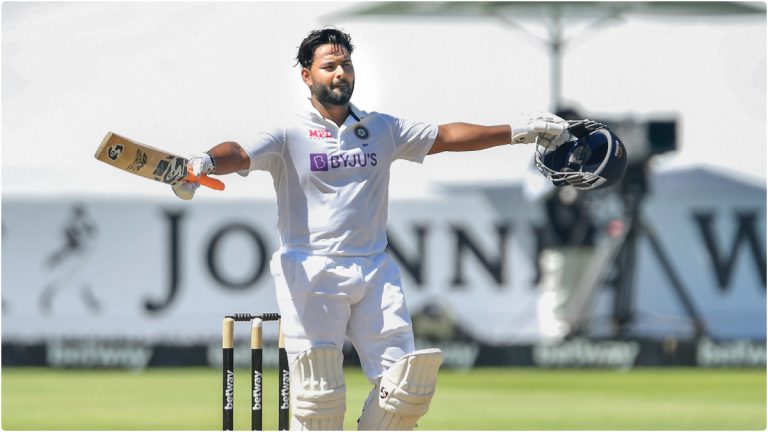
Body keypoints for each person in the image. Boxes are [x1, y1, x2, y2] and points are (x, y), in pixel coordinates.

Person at [173, 28, 569, 431]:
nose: (340, 72)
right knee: (319, 399)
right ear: (307, 77)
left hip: (374, 268)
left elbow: (447, 137)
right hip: (311, 270)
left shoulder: (381, 129)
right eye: (329, 66)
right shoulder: (288, 133)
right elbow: (238, 154)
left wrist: (519, 131)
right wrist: (205, 160)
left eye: (346, 64)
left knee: (406, 391)